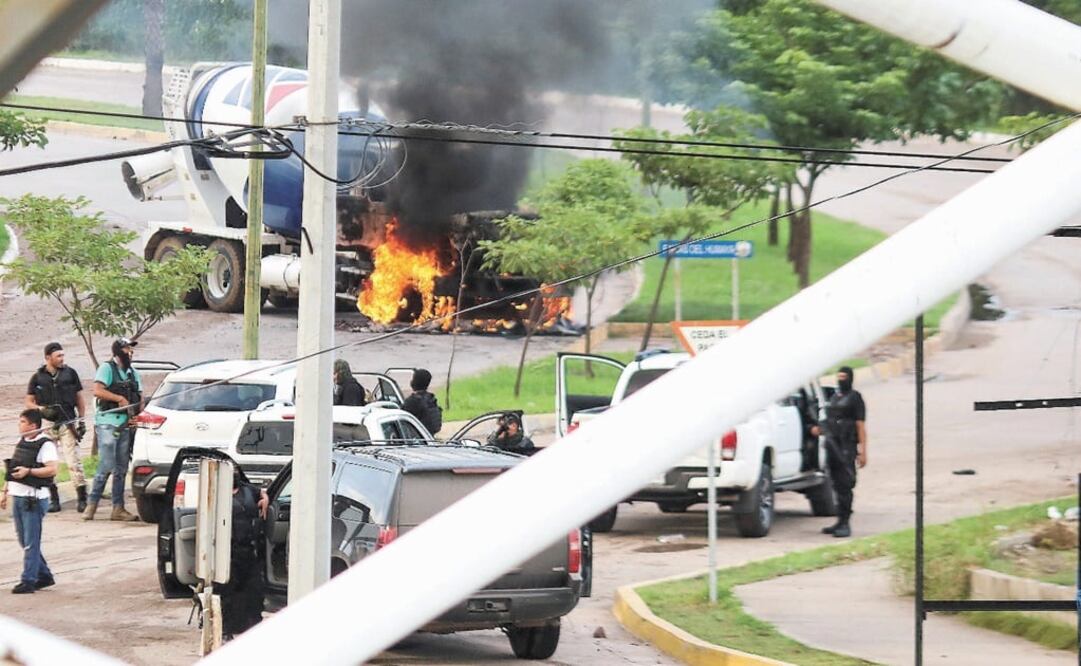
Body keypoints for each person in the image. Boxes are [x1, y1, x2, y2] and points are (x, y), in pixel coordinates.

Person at [26, 342, 89, 513]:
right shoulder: (38, 377)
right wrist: (41, 410)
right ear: (48, 358)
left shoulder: (70, 373)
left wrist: (82, 421)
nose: (62, 359)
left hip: (68, 422)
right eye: (58, 356)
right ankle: (54, 498)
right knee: (48, 461)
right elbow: (29, 401)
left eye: (62, 355)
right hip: (48, 424)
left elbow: (79, 398)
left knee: (73, 461)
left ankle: (82, 496)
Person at [85, 337, 143, 522]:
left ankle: (118, 508)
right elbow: (97, 390)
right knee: (106, 465)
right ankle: (91, 504)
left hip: (126, 424)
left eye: (131, 349)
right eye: (127, 349)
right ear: (118, 351)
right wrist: (118, 398)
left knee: (121, 468)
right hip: (108, 423)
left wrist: (137, 416)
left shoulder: (133, 373)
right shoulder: (107, 368)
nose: (130, 352)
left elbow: (140, 396)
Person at [2, 409, 58, 594]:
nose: (20, 425)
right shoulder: (23, 441)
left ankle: (28, 580)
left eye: (23, 422)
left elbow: (51, 469)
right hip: (17, 495)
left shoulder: (45, 444)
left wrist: (29, 472)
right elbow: (13, 468)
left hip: (33, 498)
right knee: (23, 539)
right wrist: (5, 492)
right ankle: (44, 575)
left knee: (31, 541)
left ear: (33, 425)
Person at [812, 366, 867, 538]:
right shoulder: (835, 397)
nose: (841, 379)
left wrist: (863, 451)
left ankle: (845, 523)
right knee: (835, 484)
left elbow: (860, 426)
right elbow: (830, 421)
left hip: (846, 447)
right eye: (839, 376)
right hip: (832, 446)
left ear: (850, 378)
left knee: (845, 484)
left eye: (844, 377)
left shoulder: (855, 398)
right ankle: (839, 521)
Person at [221, 469, 268, 640]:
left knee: (254, 590)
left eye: (235, 471)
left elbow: (262, 493)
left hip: (248, 548)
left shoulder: (247, 490)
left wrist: (265, 500)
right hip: (227, 552)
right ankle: (225, 630)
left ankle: (255, 627)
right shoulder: (217, 493)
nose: (233, 475)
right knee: (227, 593)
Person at [401, 368, 442, 435]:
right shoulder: (431, 399)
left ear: (414, 382)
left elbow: (400, 417)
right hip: (428, 436)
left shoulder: (412, 402)